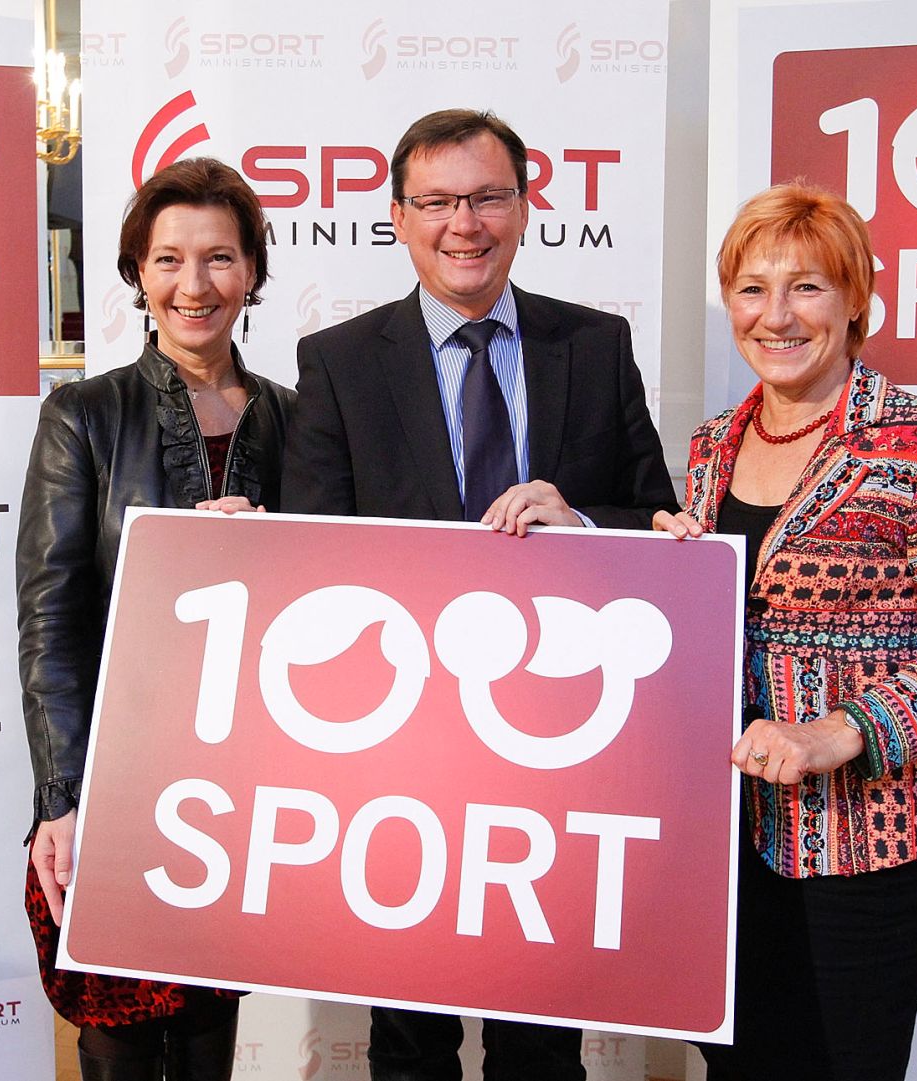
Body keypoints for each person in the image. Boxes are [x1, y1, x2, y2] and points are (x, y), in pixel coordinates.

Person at [282, 108, 679, 1081]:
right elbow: (314, 558)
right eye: (438, 201)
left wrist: (582, 523)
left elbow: (662, 523)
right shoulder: (336, 361)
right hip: (400, 760)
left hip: (557, 752)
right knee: (408, 1039)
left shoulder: (593, 344)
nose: (465, 222)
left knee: (541, 1040)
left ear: (525, 205)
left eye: (486, 196)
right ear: (398, 216)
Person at [654, 182, 917, 1081]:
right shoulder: (711, 445)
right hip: (714, 842)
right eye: (751, 288)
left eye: (807, 287)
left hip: (860, 836)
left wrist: (837, 732)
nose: (775, 315)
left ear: (859, 301)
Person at [15, 157, 294, 1081]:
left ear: (252, 269)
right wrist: (63, 798)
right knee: (120, 1034)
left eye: (219, 258)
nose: (194, 285)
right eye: (168, 259)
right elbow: (50, 617)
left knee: (213, 1030)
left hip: (244, 787)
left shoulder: (296, 420)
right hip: (118, 776)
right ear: (137, 272)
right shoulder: (84, 415)